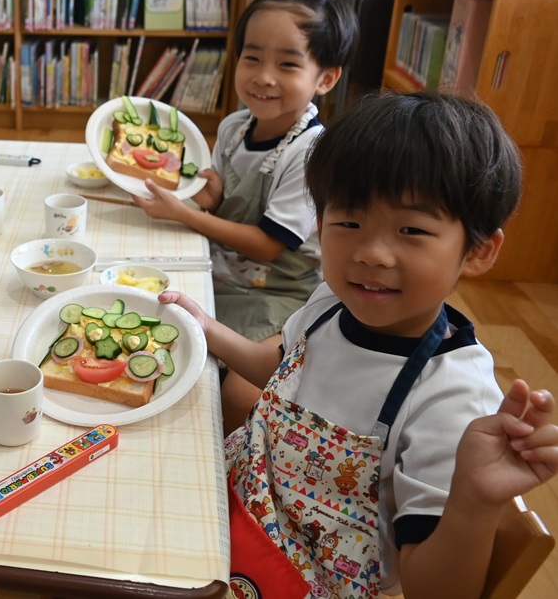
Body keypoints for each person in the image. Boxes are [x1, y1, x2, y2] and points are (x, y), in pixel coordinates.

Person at [160, 92, 558, 597]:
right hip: (243, 498)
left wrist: (472, 504)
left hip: (303, 578)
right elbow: (280, 368)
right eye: (348, 222)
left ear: (478, 250)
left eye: (411, 230)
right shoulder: (333, 300)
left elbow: (436, 591)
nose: (370, 254)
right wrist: (207, 328)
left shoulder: (452, 399)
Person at [134, 0, 358, 434]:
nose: (263, 76)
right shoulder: (236, 126)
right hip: (222, 274)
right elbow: (223, 207)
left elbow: (270, 245)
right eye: (252, 57)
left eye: (288, 64)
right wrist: (211, 201)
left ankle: (227, 462)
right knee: (156, 333)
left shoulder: (311, 150)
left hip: (280, 295)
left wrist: (187, 215)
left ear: (326, 78)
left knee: (236, 391)